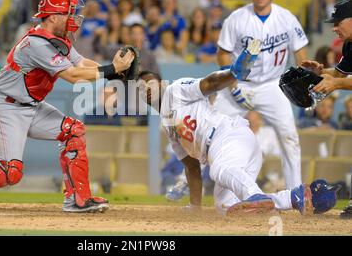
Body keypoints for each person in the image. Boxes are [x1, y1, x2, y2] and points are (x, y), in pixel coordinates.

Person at [0, 0, 135, 213]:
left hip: (30, 106)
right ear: (53, 17)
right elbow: (73, 77)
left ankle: (78, 199)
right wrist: (112, 70)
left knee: (74, 131)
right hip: (4, 106)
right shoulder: (35, 43)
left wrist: (115, 72)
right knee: (9, 173)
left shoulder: (57, 41)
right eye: (69, 13)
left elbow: (81, 64)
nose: (74, 18)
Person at [137, 62, 327, 215]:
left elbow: (209, 84)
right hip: (227, 154)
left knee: (220, 170)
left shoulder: (175, 90)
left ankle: (254, 195)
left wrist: (233, 72)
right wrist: (196, 207)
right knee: (226, 208)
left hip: (229, 137)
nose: (145, 87)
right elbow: (192, 166)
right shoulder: (167, 124)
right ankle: (294, 197)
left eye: (149, 82)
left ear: (161, 84)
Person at [214, 0, 309, 190]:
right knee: (212, 131)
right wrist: (233, 85)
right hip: (240, 82)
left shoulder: (286, 18)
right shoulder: (236, 18)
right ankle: (187, 182)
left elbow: (300, 53)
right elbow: (223, 54)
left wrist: (305, 84)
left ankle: (295, 194)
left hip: (272, 86)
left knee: (290, 138)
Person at [301, 0, 352, 219]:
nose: (334, 27)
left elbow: (340, 82)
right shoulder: (350, 44)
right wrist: (323, 72)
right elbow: (341, 74)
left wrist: (336, 84)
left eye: (338, 21)